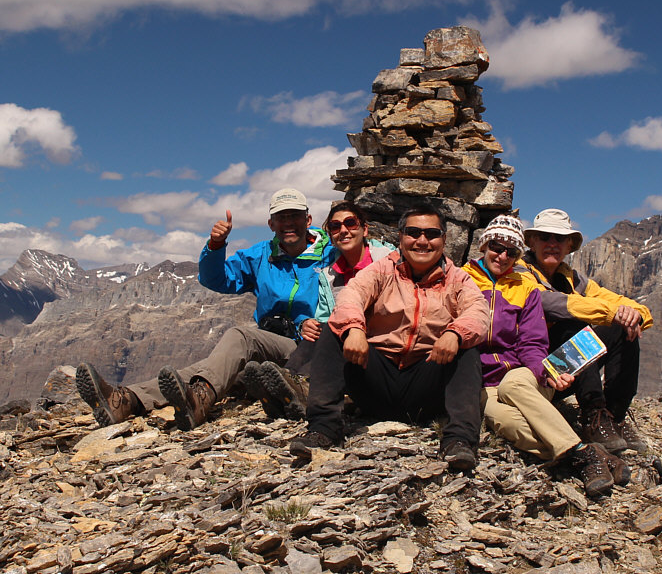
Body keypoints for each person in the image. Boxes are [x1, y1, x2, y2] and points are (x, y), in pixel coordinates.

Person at [76, 188, 336, 430]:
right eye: (281, 217)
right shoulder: (261, 256)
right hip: (270, 346)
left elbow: (345, 297)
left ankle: (199, 402)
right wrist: (215, 246)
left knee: (241, 337)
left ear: (308, 218)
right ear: (271, 224)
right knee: (213, 369)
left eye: (294, 216)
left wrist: (308, 326)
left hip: (309, 349)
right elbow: (218, 280)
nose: (288, 223)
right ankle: (127, 400)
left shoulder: (330, 255)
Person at [289, 204, 489, 470]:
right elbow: (352, 296)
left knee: (466, 347)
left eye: (431, 233)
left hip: (426, 385)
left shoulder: (458, 280)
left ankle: (459, 440)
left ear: (443, 239)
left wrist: (454, 332)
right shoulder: (382, 270)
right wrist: (354, 328)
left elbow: (478, 312)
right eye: (413, 232)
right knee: (334, 331)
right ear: (401, 237)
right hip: (375, 379)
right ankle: (324, 428)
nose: (422, 240)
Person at [463, 215, 630, 496]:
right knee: (505, 421)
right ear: (483, 245)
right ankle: (586, 453)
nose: (502, 256)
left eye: (511, 251)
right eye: (496, 246)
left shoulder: (525, 287)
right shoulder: (463, 280)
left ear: (518, 254)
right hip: (483, 380)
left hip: (522, 373)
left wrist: (546, 372)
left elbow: (532, 342)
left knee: (513, 384)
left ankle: (590, 442)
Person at [244, 201, 395, 420]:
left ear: (365, 228)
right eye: (335, 227)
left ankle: (300, 387)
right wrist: (310, 323)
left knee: (334, 334)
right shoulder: (330, 274)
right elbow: (326, 316)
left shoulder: (387, 260)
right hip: (347, 338)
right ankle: (286, 385)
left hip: (379, 341)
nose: (343, 230)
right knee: (318, 332)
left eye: (350, 223)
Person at [523, 208, 653, 453]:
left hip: (565, 371)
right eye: (544, 237)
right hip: (536, 370)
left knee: (621, 327)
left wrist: (636, 314)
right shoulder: (520, 273)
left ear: (569, 244)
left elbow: (616, 300)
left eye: (559, 238)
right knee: (572, 323)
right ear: (531, 242)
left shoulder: (573, 279)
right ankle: (592, 413)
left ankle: (614, 416)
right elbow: (549, 303)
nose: (552, 244)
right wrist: (611, 312)